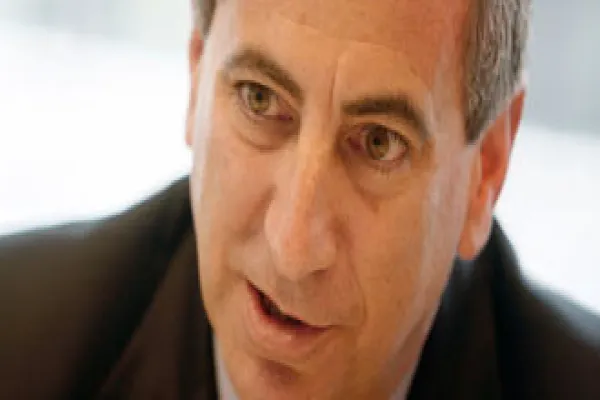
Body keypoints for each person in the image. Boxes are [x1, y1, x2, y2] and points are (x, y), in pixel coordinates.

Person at [1, 0, 599, 398]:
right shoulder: (18, 346)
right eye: (259, 100)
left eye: (379, 142)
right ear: (196, 78)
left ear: (486, 169)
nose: (292, 250)